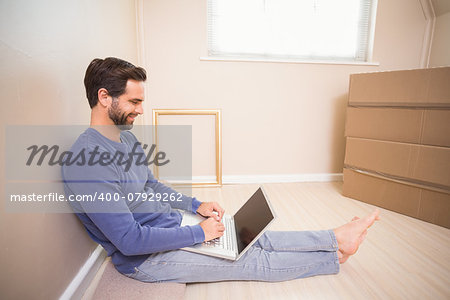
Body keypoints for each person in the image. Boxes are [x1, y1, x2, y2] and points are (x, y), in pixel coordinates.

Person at [62, 57, 380, 283]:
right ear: (104, 98)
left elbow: (151, 185)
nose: (141, 110)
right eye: (134, 102)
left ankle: (333, 237)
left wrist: (194, 206)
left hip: (170, 228)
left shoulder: (125, 140)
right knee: (248, 260)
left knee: (245, 237)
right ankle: (332, 256)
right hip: (147, 259)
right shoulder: (87, 163)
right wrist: (198, 233)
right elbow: (130, 241)